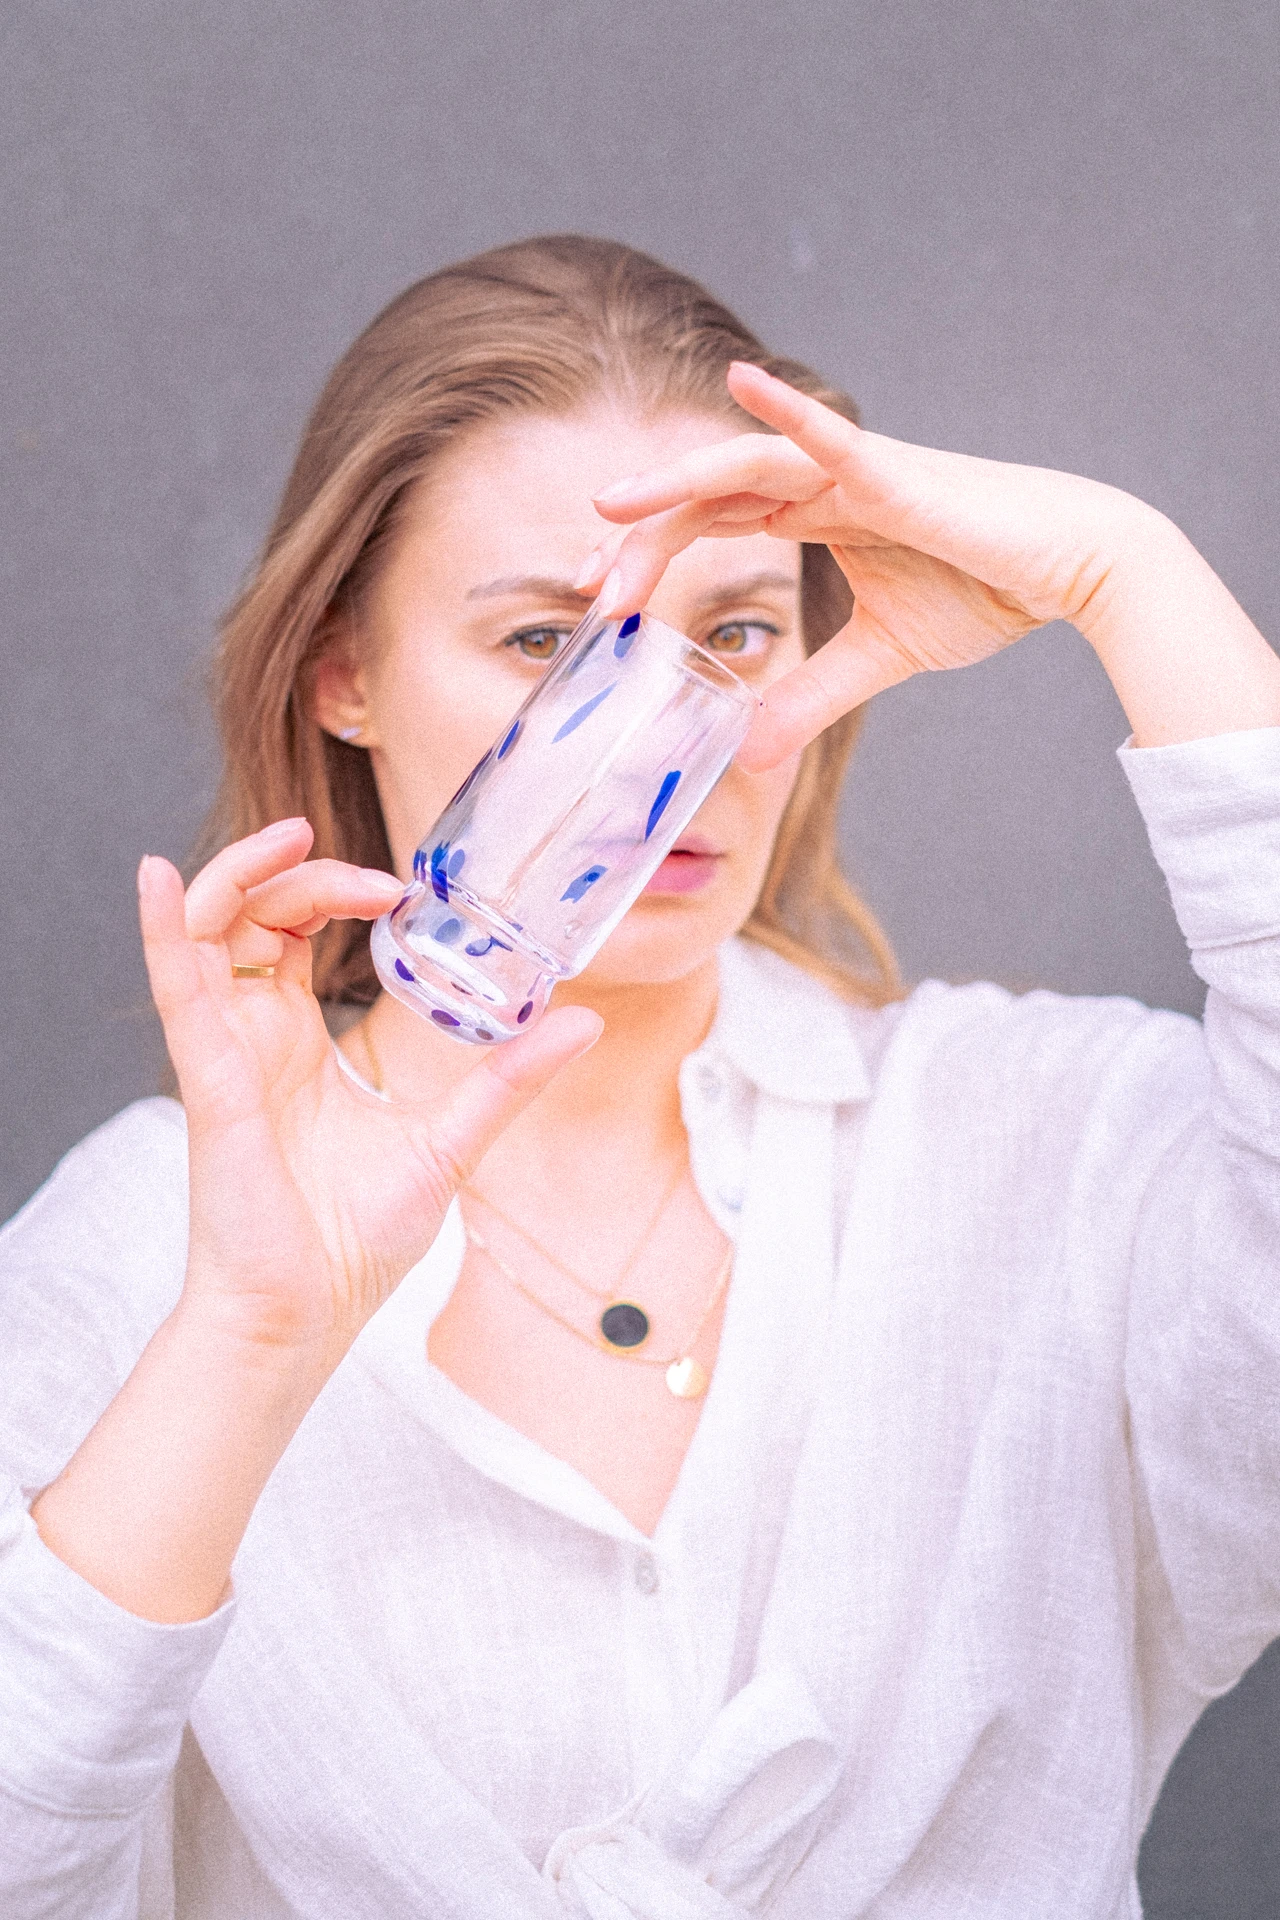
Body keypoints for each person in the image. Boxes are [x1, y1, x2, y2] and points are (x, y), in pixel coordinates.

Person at [1, 234, 1277, 1920]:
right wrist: (246, 1342)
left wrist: (1131, 571)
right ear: (346, 675)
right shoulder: (128, 1268)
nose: (655, 747)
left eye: (734, 635)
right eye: (545, 642)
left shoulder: (1050, 1149)